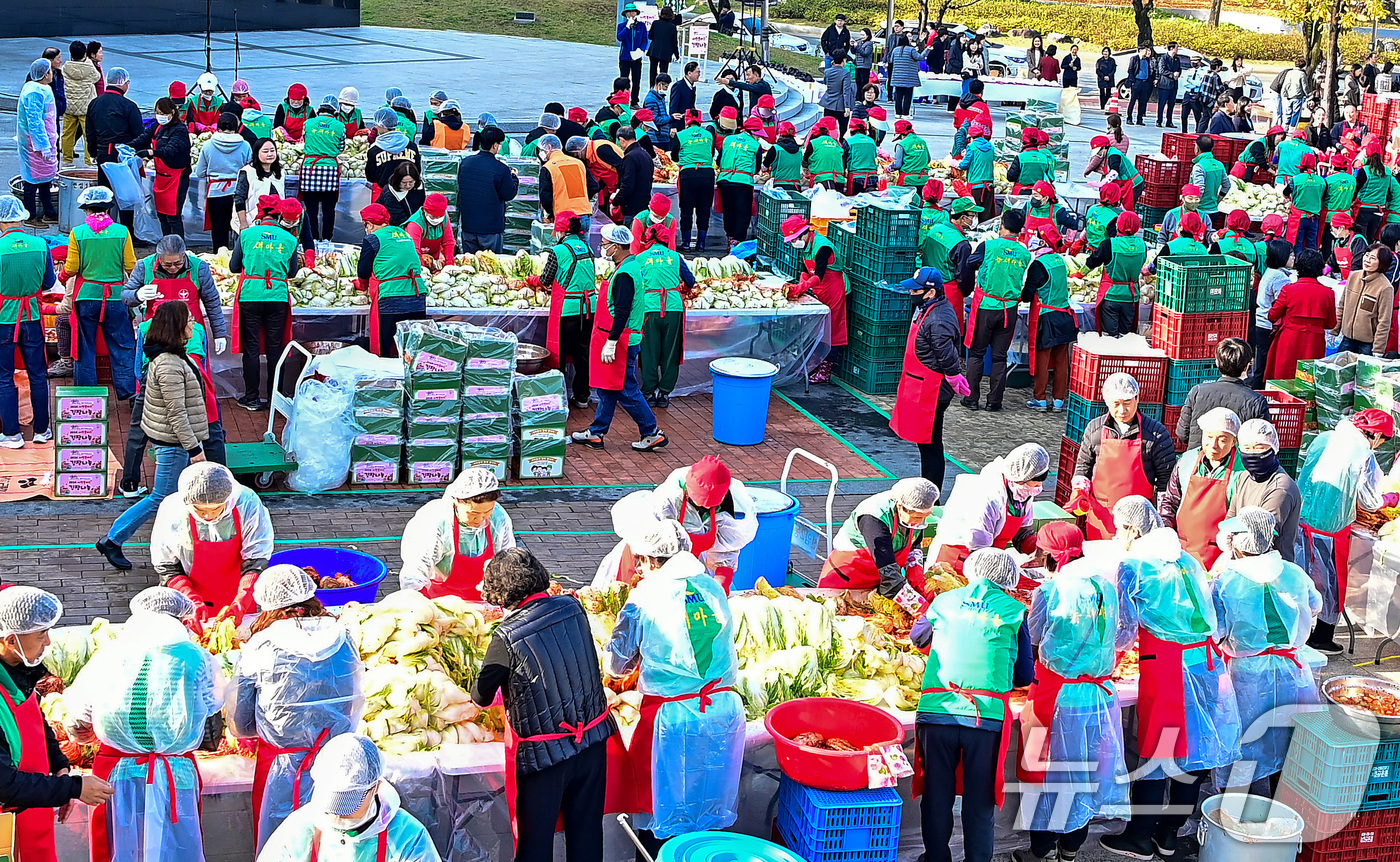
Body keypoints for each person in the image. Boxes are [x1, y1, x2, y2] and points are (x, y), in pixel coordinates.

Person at [1100, 525, 1241, 860]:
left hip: (1167, 664)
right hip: (1205, 661)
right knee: (1194, 749)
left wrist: (1110, 657)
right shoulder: (1189, 562)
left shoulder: (1133, 567)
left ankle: (1139, 836)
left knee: (1159, 750)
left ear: (1132, 533)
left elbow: (1124, 627)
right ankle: (1169, 833)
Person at [603, 522, 743, 859]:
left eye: (641, 561)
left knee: (662, 812)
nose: (638, 568)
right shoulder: (711, 587)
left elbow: (615, 665)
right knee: (706, 805)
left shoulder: (644, 598)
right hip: (722, 710)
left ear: (653, 561)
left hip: (671, 718)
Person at [468, 549, 614, 862]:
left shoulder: (506, 636)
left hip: (543, 759)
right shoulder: (573, 607)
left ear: (500, 593)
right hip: (591, 742)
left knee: (535, 845)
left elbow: (480, 696)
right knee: (587, 834)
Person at [62, 591, 219, 862]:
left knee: (120, 849)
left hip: (115, 775)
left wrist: (88, 735)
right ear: (180, 618)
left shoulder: (110, 654)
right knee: (177, 848)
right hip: (175, 774)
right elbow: (212, 711)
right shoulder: (197, 657)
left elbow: (77, 720)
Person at [1017, 524, 1135, 862]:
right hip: (1099, 695)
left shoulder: (1049, 590)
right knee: (1085, 774)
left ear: (1049, 556)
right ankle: (1070, 850)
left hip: (1055, 695)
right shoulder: (1106, 587)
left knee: (1042, 773)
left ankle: (1040, 850)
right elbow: (1122, 631)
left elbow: (1035, 637)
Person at [228, 564, 362, 854]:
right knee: (334, 847)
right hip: (339, 766)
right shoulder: (343, 637)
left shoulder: (261, 646)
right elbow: (353, 701)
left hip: (281, 768)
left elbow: (240, 723)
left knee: (281, 847)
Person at [912, 548, 1035, 862]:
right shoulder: (1014, 610)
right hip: (985, 718)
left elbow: (919, 638)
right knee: (979, 800)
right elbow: (1024, 675)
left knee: (937, 794)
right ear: (1006, 580)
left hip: (937, 710)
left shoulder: (944, 601)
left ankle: (936, 858)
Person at [1211, 507, 1320, 792]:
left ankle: (1247, 818)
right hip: (1293, 671)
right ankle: (1283, 811)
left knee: (1249, 746)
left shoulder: (1226, 581)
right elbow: (1315, 606)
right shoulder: (1295, 573)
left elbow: (1217, 631)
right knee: (1289, 744)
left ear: (1238, 542)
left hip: (1248, 674)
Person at [0, 587, 114, 859]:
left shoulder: (19, 676)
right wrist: (74, 788)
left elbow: (40, 728)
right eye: (41, 634)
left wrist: (60, 766)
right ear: (12, 640)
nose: (49, 642)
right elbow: (4, 784)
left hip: (33, 817)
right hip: (7, 826)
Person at [95, 301, 210, 571]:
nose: (193, 324)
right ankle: (114, 539)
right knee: (161, 497)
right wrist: (195, 450)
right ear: (176, 327)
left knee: (175, 497)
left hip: (175, 441)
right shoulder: (169, 364)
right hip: (174, 443)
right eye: (189, 320)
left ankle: (182, 549)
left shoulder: (171, 355)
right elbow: (176, 412)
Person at [119, 234, 229, 486]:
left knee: (203, 406)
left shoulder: (199, 268)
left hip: (191, 346)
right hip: (155, 346)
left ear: (184, 257)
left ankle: (215, 475)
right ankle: (131, 479)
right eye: (167, 265)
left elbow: (212, 302)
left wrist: (220, 332)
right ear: (158, 258)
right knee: (148, 409)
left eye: (177, 264)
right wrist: (137, 294)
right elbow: (125, 296)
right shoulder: (144, 267)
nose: (172, 268)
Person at [1297, 408, 1397, 652]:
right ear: (1375, 435)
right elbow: (1370, 501)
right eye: (1382, 440)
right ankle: (1321, 638)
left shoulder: (1323, 438)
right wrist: (1390, 498)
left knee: (1300, 578)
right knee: (1332, 583)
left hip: (1301, 520)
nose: (1380, 445)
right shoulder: (1363, 454)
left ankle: (1295, 632)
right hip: (1331, 528)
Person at [259, 733, 441, 861]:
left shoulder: (408, 837)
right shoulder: (299, 830)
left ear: (376, 787)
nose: (338, 816)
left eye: (348, 806)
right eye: (332, 806)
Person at [571, 224, 667, 451]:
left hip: (622, 340)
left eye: (605, 244)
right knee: (607, 389)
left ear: (616, 246)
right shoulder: (629, 266)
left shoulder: (625, 274)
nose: (602, 248)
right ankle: (596, 432)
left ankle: (651, 431)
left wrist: (611, 342)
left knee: (625, 388)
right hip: (620, 337)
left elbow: (622, 311)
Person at [145, 461, 274, 623]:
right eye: (200, 510)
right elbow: (166, 566)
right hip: (189, 598)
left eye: (216, 509)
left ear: (228, 500)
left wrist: (242, 600)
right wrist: (189, 597)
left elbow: (257, 559)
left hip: (239, 595)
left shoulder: (246, 504)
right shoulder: (173, 511)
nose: (208, 516)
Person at [1070, 373, 1177, 540]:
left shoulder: (1156, 434)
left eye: (1127, 403)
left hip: (1138, 523)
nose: (1122, 410)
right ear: (1107, 402)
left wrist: (1163, 520)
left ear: (1137, 399)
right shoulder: (1094, 429)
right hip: (1101, 519)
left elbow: (1166, 484)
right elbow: (1083, 468)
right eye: (1116, 404)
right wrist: (1079, 492)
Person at [890, 268, 968, 489]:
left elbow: (947, 355)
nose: (911, 293)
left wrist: (954, 377)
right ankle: (928, 486)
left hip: (933, 391)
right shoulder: (930, 309)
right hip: (921, 385)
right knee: (926, 443)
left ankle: (931, 491)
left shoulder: (938, 318)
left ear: (930, 293)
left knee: (931, 444)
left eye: (915, 290)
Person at [398, 467, 517, 598]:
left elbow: (507, 561)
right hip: (439, 598)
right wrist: (418, 602)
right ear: (457, 501)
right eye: (473, 513)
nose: (481, 518)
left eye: (488, 511)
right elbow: (415, 571)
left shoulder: (498, 518)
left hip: (484, 596)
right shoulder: (436, 520)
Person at [638, 458, 758, 588]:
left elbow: (727, 547)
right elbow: (656, 549)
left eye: (712, 505)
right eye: (701, 504)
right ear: (689, 492)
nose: (706, 509)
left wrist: (722, 581)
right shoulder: (669, 500)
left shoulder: (725, 500)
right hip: (655, 568)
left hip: (696, 567)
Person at [65, 185, 137, 398]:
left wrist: (60, 279)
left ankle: (87, 393)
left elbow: (71, 268)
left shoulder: (77, 233)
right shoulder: (122, 232)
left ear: (86, 210)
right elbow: (131, 266)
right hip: (116, 297)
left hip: (86, 297)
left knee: (85, 346)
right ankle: (128, 393)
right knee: (122, 344)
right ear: (109, 208)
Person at [932, 443, 1049, 571]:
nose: (1034, 490)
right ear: (1019, 479)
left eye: (1038, 486)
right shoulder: (989, 496)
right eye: (1032, 485)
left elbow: (1022, 533)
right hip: (960, 559)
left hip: (990, 555)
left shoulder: (1021, 493)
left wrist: (1040, 549)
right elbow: (978, 547)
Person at [228, 199, 298, 407]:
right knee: (276, 347)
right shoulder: (289, 239)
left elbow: (233, 266)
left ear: (260, 214)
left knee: (251, 348)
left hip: (250, 295)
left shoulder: (247, 235)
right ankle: (275, 397)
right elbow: (292, 272)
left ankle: (251, 398)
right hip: (277, 296)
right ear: (279, 216)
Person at [818, 477, 940, 596]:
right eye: (917, 517)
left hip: (878, 582)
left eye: (925, 517)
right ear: (901, 507)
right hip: (846, 579)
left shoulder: (913, 515)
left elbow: (914, 548)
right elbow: (890, 577)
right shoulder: (874, 518)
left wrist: (918, 581)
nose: (920, 522)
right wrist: (920, 608)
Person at [960, 210, 1030, 412]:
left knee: (976, 353)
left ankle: (971, 398)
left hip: (986, 307)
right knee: (1000, 356)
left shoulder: (988, 246)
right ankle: (994, 401)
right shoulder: (1024, 253)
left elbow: (969, 263)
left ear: (1001, 225)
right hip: (1009, 308)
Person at [0, 196, 55, 450]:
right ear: (21, 217)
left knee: (4, 377)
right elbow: (48, 283)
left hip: (4, 319)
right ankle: (43, 430)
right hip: (32, 317)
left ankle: (12, 434)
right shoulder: (40, 244)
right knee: (38, 374)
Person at [1161, 406, 1244, 569]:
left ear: (1234, 441)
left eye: (1222, 439)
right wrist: (1165, 533)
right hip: (1181, 551)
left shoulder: (1242, 471)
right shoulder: (1187, 461)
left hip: (1222, 557)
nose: (1213, 445)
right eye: (1209, 436)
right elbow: (1170, 502)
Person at [1225, 419, 1302, 564]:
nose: (1252, 453)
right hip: (1244, 564)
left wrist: (1236, 540)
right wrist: (1225, 535)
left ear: (1274, 448)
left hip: (1273, 570)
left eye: (1259, 447)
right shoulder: (1243, 477)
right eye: (1246, 448)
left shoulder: (1281, 487)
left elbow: (1263, 538)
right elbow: (1232, 515)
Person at [354, 203, 426, 357]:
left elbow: (364, 270)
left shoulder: (373, 239)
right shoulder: (404, 233)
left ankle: (388, 379)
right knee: (413, 348)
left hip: (391, 298)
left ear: (370, 225)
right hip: (417, 295)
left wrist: (361, 286)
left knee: (388, 349)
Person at [634, 223, 694, 407]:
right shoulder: (675, 257)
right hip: (673, 307)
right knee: (671, 351)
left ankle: (649, 392)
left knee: (649, 351)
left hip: (649, 308)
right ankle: (664, 393)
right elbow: (690, 280)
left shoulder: (640, 258)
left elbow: (634, 283)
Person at [782, 215, 848, 376]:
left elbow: (819, 275)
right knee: (818, 327)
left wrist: (801, 288)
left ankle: (826, 368)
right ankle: (815, 362)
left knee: (832, 329)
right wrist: (801, 284)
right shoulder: (805, 246)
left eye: (794, 239)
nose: (793, 243)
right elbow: (805, 270)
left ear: (805, 232)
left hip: (835, 290)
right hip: (819, 291)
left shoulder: (822, 246)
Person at [1175, 338, 1270, 450]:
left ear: (1217, 362)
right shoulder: (1257, 401)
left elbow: (1183, 434)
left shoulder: (1197, 391)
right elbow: (1261, 442)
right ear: (1247, 367)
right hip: (1237, 465)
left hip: (1198, 461)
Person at [1022, 226, 1077, 413]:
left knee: (1042, 360)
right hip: (1064, 315)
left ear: (1043, 241)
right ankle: (1059, 400)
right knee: (1062, 360)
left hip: (1046, 317)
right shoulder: (1060, 261)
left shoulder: (1038, 265)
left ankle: (1040, 398)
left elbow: (1028, 295)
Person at [1266, 249, 1337, 379]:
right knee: (1308, 380)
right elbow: (1331, 323)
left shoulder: (1289, 290)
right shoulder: (1328, 293)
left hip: (1289, 338)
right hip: (1314, 341)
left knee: (1284, 376)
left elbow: (1272, 316)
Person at [129, 96, 192, 238]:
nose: (160, 116)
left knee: (173, 217)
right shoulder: (157, 127)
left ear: (172, 113)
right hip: (161, 178)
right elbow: (143, 138)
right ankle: (166, 243)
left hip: (176, 178)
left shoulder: (180, 130)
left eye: (164, 113)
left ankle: (177, 246)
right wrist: (128, 147)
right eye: (158, 113)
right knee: (162, 215)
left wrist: (152, 153)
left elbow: (171, 150)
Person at [455, 125, 519, 254]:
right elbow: (508, 193)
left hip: (468, 225)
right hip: (490, 228)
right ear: (495, 145)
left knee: (470, 265)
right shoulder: (501, 169)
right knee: (491, 267)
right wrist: (514, 178)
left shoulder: (466, 163)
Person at [194, 112, 252, 253]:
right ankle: (240, 261)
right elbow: (250, 169)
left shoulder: (208, 145)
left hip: (216, 193)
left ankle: (219, 259)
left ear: (218, 127)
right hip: (238, 193)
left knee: (219, 232)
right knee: (240, 228)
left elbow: (199, 172)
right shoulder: (245, 145)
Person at [922, 197, 978, 332]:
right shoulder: (961, 243)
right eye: (972, 215)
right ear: (962, 217)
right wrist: (967, 290)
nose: (974, 218)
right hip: (949, 291)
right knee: (948, 330)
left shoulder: (935, 229)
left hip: (927, 284)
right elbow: (964, 275)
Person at [1244, 237, 1294, 387]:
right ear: (1282, 256)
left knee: (1261, 364)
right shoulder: (1279, 277)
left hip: (1261, 322)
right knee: (1265, 365)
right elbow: (1282, 303)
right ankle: (1259, 392)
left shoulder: (1270, 272)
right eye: (1290, 254)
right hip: (1268, 325)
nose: (1293, 257)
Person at [1088, 210, 1147, 336]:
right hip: (1131, 296)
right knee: (1126, 336)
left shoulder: (1109, 244)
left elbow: (1092, 262)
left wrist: (1078, 274)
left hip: (1111, 294)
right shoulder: (1142, 245)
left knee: (1110, 336)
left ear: (1119, 225)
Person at [17, 59, 59, 228]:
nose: (52, 74)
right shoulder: (33, 92)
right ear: (44, 74)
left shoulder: (43, 89)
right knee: (32, 180)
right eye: (49, 71)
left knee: (45, 179)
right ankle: (30, 215)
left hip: (46, 141)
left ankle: (49, 213)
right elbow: (34, 122)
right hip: (34, 144)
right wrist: (42, 145)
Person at [1334, 243, 1396, 354]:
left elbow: (1384, 322)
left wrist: (1378, 350)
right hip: (1347, 339)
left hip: (1367, 345)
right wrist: (1335, 330)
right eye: (1366, 255)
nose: (1367, 260)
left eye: (1373, 258)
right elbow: (1342, 306)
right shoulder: (1353, 276)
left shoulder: (1385, 287)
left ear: (1382, 263)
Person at [298, 99, 346, 241]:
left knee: (311, 210)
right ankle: (327, 239)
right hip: (330, 169)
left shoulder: (308, 123)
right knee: (328, 209)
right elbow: (341, 147)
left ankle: (312, 238)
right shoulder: (340, 126)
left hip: (310, 169)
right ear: (335, 112)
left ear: (319, 111)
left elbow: (304, 140)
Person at [715, 119, 761, 245]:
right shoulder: (756, 145)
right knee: (742, 212)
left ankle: (730, 238)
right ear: (752, 132)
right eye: (758, 134)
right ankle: (738, 241)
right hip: (743, 181)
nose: (759, 137)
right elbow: (757, 168)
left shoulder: (728, 140)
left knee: (729, 211)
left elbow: (719, 161)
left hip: (724, 180)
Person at [673, 110, 713, 252]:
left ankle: (686, 243)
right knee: (704, 209)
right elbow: (712, 153)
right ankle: (701, 243)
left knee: (686, 210)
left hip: (688, 174)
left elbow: (674, 156)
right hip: (707, 173)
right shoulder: (708, 134)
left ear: (687, 121)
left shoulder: (680, 135)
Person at [366, 107, 422, 202]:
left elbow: (370, 176)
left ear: (381, 125)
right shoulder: (412, 146)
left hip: (384, 196)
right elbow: (417, 170)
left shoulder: (374, 150)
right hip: (408, 195)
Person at [538, 136, 595, 226]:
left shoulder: (548, 167)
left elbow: (545, 196)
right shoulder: (579, 163)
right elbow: (594, 186)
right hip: (584, 213)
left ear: (548, 147)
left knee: (566, 240)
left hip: (563, 216)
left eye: (541, 149)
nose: (541, 152)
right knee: (583, 240)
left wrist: (549, 213)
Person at [233, 139, 285, 231]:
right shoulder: (247, 172)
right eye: (265, 151)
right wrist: (243, 223)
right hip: (250, 222)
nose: (270, 154)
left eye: (272, 151)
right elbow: (239, 198)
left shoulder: (280, 172)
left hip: (274, 224)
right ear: (257, 153)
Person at [62, 41, 100, 165]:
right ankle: (89, 160)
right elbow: (97, 77)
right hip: (86, 107)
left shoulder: (65, 67)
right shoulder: (89, 68)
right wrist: (88, 61)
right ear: (85, 54)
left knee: (67, 134)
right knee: (88, 135)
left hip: (69, 107)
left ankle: (67, 159)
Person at [1088, 134, 1143, 211]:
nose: (1099, 154)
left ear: (1105, 147)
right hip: (1124, 183)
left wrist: (1103, 182)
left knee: (1126, 209)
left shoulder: (1114, 155)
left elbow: (1114, 172)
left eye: (1100, 152)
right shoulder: (1108, 154)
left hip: (1133, 184)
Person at [1283, 153, 1326, 250]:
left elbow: (1286, 192)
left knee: (1298, 244)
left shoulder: (1296, 179)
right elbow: (1323, 196)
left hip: (1299, 218)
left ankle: (1298, 263)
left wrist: (1289, 198)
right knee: (1312, 244)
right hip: (1314, 219)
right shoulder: (1322, 181)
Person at [614, 125, 656, 225]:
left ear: (622, 140)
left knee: (631, 236)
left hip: (632, 207)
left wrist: (615, 202)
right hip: (644, 204)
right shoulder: (645, 154)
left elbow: (627, 186)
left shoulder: (630, 157)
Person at [406, 192, 456, 273]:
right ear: (426, 211)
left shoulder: (444, 218)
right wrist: (422, 269)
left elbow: (448, 241)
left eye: (439, 216)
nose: (436, 219)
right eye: (433, 216)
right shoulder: (415, 224)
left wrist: (449, 263)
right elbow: (414, 250)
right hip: (416, 260)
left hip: (434, 260)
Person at [1189, 136, 1231, 229]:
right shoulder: (1219, 164)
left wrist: (1191, 206)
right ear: (1212, 149)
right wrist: (1217, 200)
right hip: (1213, 211)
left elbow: (1199, 189)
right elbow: (1227, 185)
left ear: (1197, 149)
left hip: (1200, 211)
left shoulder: (1199, 166)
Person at [1212, 208, 1268, 278]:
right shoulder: (1252, 246)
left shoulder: (1218, 245)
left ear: (1228, 222)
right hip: (1244, 284)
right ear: (1247, 224)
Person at [617, 2, 650, 106]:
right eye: (629, 12)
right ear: (626, 14)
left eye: (633, 12)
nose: (631, 14)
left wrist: (641, 50)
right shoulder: (622, 26)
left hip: (636, 57)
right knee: (624, 79)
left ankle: (634, 101)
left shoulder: (641, 26)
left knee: (636, 80)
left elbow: (645, 39)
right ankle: (623, 99)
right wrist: (627, 26)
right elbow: (620, 37)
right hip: (625, 57)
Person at [375, 161, 425, 227]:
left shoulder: (419, 187)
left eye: (411, 182)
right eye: (404, 183)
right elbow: (398, 220)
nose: (408, 186)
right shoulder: (390, 194)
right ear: (398, 181)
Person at [888, 35, 923, 120]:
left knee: (898, 95)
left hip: (897, 77)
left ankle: (898, 113)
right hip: (908, 78)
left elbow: (891, 60)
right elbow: (920, 57)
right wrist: (927, 50)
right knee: (908, 95)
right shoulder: (911, 50)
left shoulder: (895, 50)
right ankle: (905, 113)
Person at [897, 119, 936, 193]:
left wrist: (889, 168)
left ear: (901, 135)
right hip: (923, 179)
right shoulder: (922, 142)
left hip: (908, 179)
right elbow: (928, 159)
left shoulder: (902, 144)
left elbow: (897, 164)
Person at [1082, 184, 1122, 254]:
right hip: (1103, 254)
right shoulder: (1114, 217)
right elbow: (1115, 242)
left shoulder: (1092, 208)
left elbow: (1086, 227)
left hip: (1089, 249)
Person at [1328, 211, 1368, 280]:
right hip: (1344, 279)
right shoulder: (1338, 242)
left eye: (1333, 228)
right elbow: (1331, 262)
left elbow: (1358, 264)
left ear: (1341, 228)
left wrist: (1349, 281)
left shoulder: (1358, 240)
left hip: (1357, 280)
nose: (1332, 230)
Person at [647, 7, 680, 86]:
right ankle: (661, 88)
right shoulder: (672, 27)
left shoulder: (655, 23)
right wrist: (677, 54)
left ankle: (652, 87)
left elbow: (650, 36)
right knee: (663, 72)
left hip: (654, 50)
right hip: (666, 52)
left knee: (653, 71)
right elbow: (674, 42)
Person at [1125, 46, 1155, 126]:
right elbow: (1130, 70)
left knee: (1143, 102)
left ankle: (1139, 118)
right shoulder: (1134, 58)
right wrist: (1133, 80)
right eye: (1145, 50)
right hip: (1137, 81)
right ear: (1140, 51)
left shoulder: (1147, 60)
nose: (1146, 52)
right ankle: (1129, 118)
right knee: (1133, 100)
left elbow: (1149, 70)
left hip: (1145, 83)